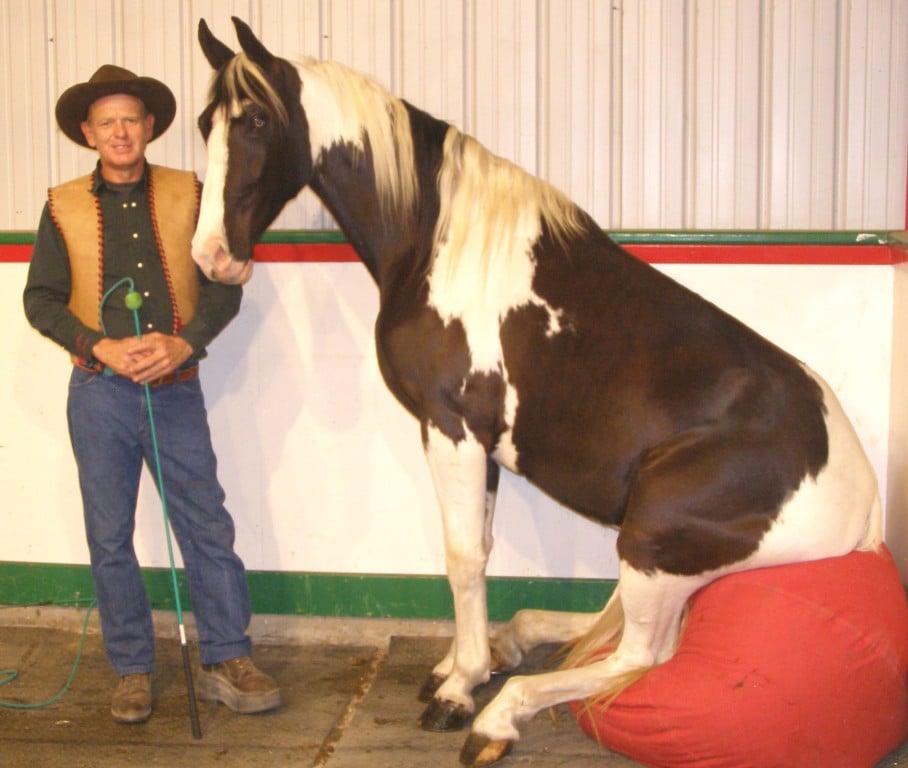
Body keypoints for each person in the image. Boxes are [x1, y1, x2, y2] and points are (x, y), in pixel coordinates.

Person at [23, 65, 280, 724]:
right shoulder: (61, 206)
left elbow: (225, 285)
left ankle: (228, 658)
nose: (120, 132)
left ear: (150, 126)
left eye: (130, 119)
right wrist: (97, 346)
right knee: (109, 537)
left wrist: (184, 343)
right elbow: (40, 300)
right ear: (88, 133)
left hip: (176, 391)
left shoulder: (191, 194)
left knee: (206, 526)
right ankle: (132, 669)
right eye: (106, 122)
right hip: (97, 393)